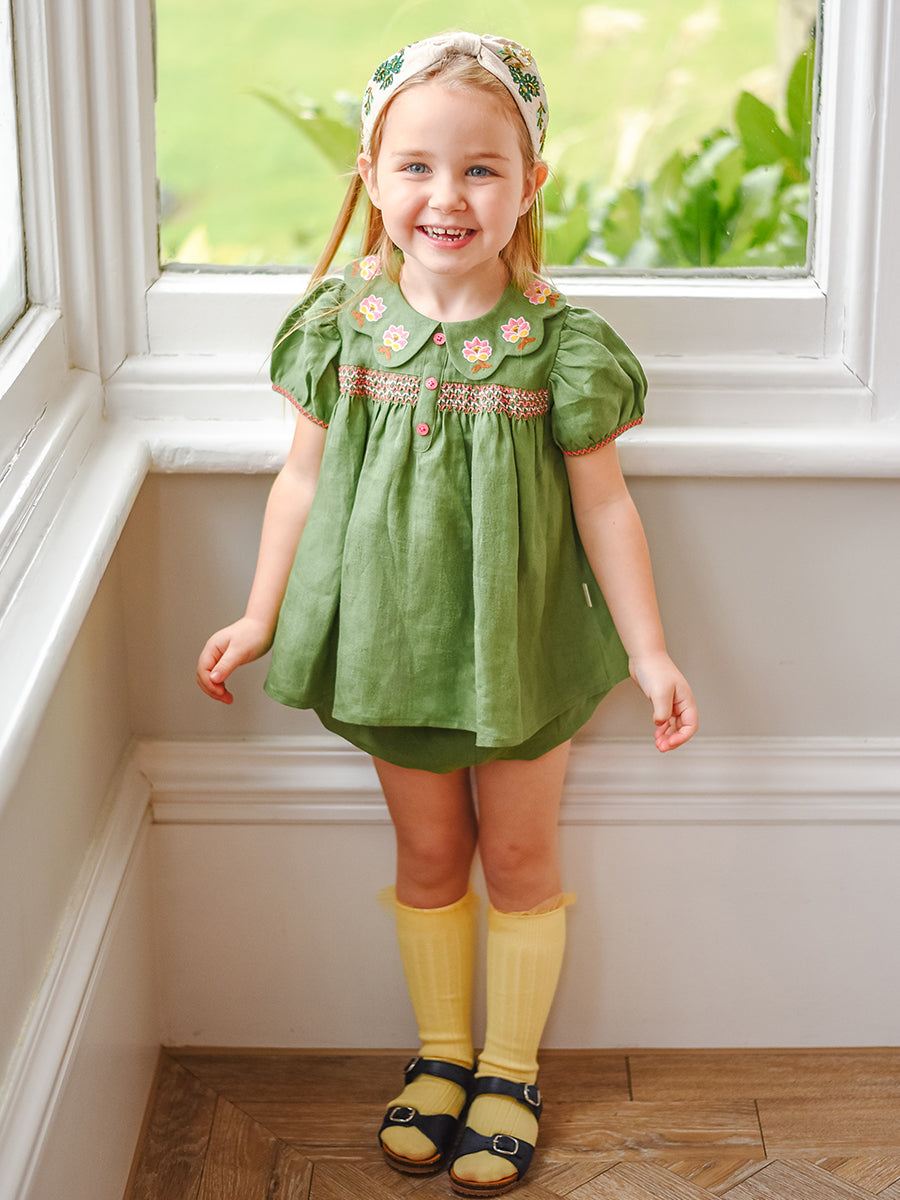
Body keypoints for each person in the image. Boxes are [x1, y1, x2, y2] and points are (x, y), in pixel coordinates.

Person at [197, 31, 698, 1197]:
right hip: (391, 643)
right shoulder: (341, 330)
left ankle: (510, 1070)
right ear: (373, 177)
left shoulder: (559, 348)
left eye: (481, 168)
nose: (448, 195)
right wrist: (260, 613)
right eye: (417, 166)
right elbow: (300, 484)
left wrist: (651, 650)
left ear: (529, 183)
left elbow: (606, 507)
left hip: (520, 651)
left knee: (518, 856)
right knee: (429, 855)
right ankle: (439, 1057)